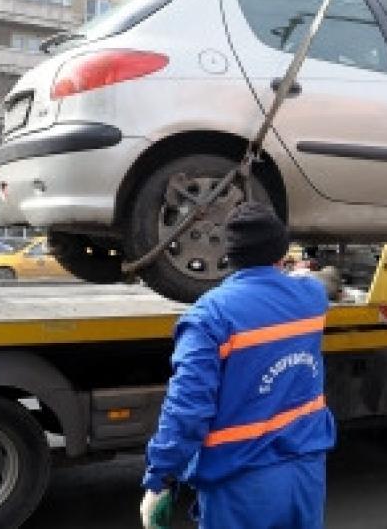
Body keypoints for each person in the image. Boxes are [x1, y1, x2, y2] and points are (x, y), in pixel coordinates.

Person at [140, 202, 336, 528]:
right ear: (281, 252)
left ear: (229, 256)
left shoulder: (209, 317)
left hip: (240, 484)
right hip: (306, 474)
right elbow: (315, 280)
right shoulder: (311, 299)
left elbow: (186, 408)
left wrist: (159, 477)